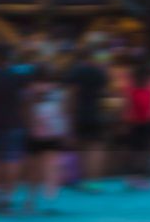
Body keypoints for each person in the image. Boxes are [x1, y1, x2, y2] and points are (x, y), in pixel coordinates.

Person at [0, 46, 29, 212]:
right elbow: (24, 101)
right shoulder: (18, 78)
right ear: (10, 59)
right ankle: (8, 197)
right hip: (14, 124)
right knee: (12, 161)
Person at [23, 65, 70, 212]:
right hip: (52, 134)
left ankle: (32, 199)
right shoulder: (57, 92)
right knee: (50, 167)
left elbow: (26, 112)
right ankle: (49, 200)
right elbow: (63, 112)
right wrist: (65, 132)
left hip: (37, 134)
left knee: (36, 169)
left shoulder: (30, 92)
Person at [66, 46, 109, 190]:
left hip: (80, 113)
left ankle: (83, 180)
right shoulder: (100, 72)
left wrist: (69, 115)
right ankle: (95, 181)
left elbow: (72, 95)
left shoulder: (76, 72)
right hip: (96, 112)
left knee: (82, 148)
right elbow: (104, 94)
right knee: (96, 149)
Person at [122, 62, 150, 188]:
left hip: (134, 121)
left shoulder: (130, 85)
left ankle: (133, 176)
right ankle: (146, 177)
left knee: (135, 149)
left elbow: (127, 103)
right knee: (148, 149)